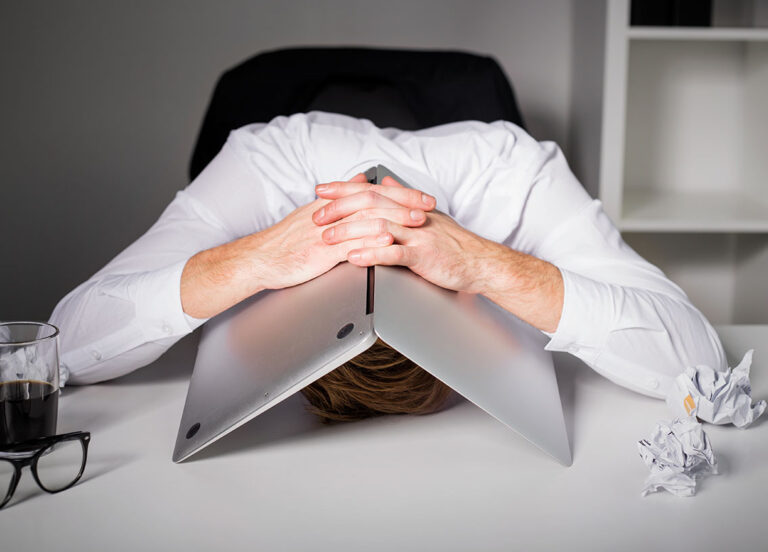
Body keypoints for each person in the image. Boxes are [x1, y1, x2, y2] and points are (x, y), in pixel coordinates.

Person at [50, 112, 726, 420]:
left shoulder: (517, 175)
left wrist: (486, 265)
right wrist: (256, 259)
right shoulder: (260, 166)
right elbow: (63, 351)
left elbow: (701, 367)